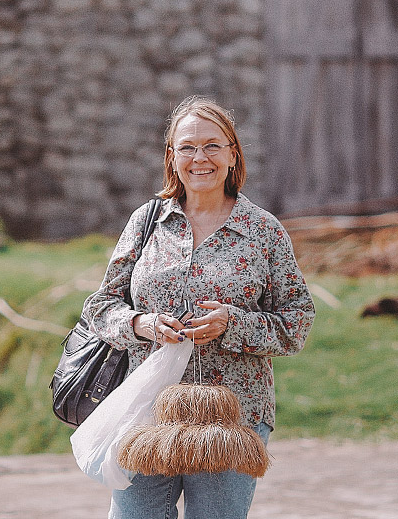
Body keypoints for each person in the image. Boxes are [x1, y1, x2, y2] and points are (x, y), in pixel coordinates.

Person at [81, 95, 315, 519]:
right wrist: (142, 323)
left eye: (212, 145)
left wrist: (233, 323)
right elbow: (101, 306)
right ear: (172, 157)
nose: (199, 157)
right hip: (148, 409)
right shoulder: (147, 221)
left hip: (233, 416)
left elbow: (296, 321)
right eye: (187, 147)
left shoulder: (263, 230)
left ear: (232, 153)